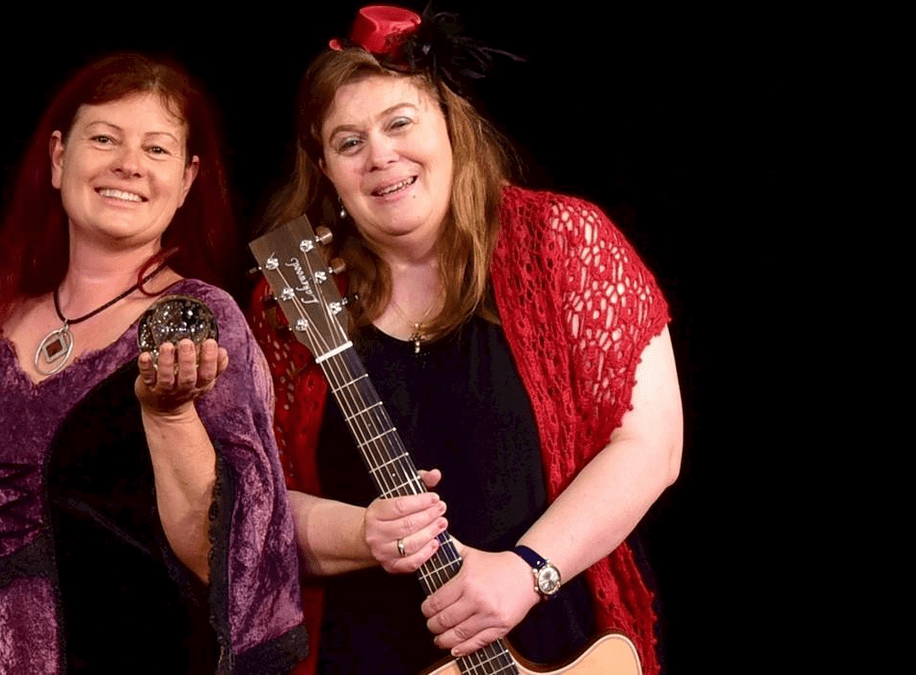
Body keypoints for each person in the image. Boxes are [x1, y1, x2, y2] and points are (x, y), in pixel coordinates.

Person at [248, 6, 683, 675]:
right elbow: (262, 505)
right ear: (325, 167)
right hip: (367, 654)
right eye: (349, 141)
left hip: (559, 649)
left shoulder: (560, 243)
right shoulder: (291, 301)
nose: (380, 156)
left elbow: (650, 446)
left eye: (400, 122)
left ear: (452, 123)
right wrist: (360, 532)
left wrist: (527, 571)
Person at [0, 52, 306, 675]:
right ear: (59, 158)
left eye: (157, 149)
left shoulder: (200, 320)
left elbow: (226, 560)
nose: (129, 164)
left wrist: (170, 416)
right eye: (105, 139)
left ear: (187, 179)